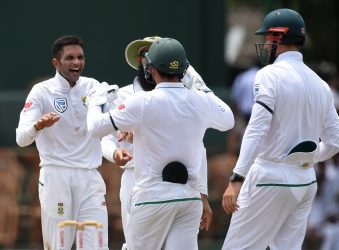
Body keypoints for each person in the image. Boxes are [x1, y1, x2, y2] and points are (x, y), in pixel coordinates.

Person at [87, 37, 234, 249]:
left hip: (152, 195)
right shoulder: (199, 100)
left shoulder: (142, 102)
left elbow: (95, 128)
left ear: (151, 68)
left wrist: (95, 100)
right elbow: (227, 119)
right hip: (187, 198)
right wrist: (197, 81)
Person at [221, 8, 339, 250]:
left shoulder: (269, 75)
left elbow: (257, 129)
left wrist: (237, 178)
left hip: (270, 176)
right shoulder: (320, 84)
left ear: (278, 38)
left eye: (267, 39)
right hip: (305, 181)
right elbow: (335, 142)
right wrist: (302, 159)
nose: (265, 45)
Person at [16, 35, 109, 250]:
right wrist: (38, 126)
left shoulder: (92, 86)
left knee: (97, 245)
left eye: (80, 57)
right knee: (59, 245)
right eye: (70, 58)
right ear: (56, 63)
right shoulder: (42, 91)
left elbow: (109, 119)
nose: (77, 63)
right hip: (57, 176)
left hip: (90, 176)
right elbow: (21, 139)